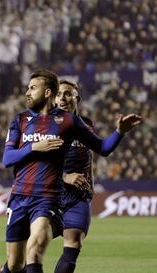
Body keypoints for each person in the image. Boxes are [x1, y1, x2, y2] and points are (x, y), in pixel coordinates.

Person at [0, 70, 141, 273]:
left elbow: (102, 148)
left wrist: (120, 132)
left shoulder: (70, 122)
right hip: (20, 196)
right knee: (14, 264)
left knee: (38, 247)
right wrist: (34, 147)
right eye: (28, 88)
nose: (27, 93)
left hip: (49, 197)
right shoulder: (20, 120)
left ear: (47, 92)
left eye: (32, 88)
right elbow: (7, 159)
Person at [53, 80, 95, 273]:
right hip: (51, 195)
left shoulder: (87, 124)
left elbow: (90, 153)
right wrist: (66, 176)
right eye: (59, 94)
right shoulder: (46, 126)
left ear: (77, 99)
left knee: (73, 245)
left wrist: (91, 182)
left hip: (78, 198)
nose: (63, 98)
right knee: (29, 249)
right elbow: (36, 164)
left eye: (68, 94)